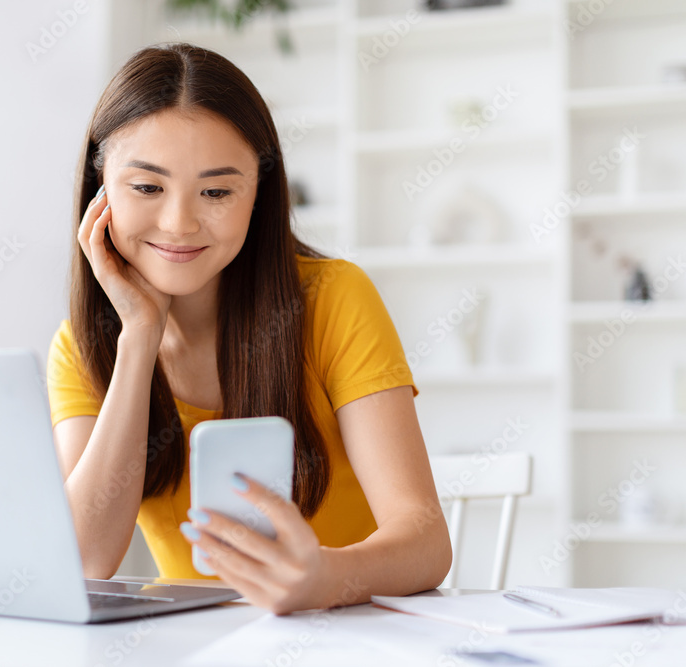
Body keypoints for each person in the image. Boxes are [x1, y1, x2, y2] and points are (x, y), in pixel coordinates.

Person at [47, 42, 451, 615]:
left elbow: (427, 542)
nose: (179, 223)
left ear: (258, 195)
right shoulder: (81, 345)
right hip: (195, 644)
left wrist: (326, 577)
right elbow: (85, 561)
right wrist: (138, 338)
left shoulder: (332, 299)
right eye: (146, 187)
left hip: (346, 632)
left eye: (216, 191)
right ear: (99, 191)